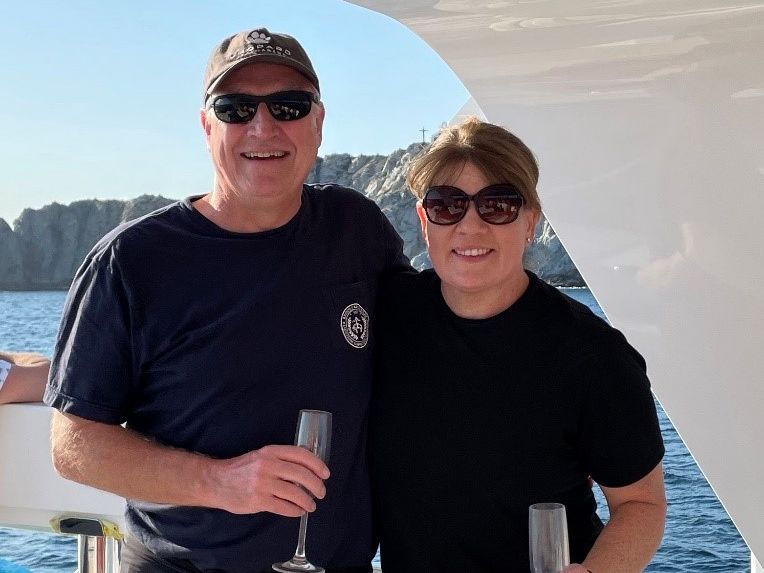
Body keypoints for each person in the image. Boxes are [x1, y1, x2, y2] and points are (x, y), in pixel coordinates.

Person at [44, 27, 409, 573]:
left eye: (288, 106)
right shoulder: (132, 261)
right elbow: (73, 445)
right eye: (235, 108)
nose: (263, 127)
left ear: (318, 122)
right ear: (206, 125)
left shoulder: (355, 227)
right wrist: (220, 482)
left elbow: (431, 336)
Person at [371, 117, 667, 573]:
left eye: (498, 205)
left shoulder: (593, 355)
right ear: (424, 221)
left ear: (531, 221)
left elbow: (641, 504)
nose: (470, 226)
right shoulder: (388, 316)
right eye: (447, 205)